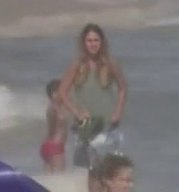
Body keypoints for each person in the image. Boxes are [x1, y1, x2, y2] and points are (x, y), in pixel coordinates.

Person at [57, 24, 127, 176]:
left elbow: (123, 88)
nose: (93, 44)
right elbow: (62, 91)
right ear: (84, 43)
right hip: (85, 127)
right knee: (85, 173)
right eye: (89, 40)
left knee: (108, 173)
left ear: (102, 42)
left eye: (96, 40)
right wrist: (77, 112)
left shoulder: (110, 63)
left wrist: (118, 112)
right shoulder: (77, 65)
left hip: (107, 125)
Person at [41, 79, 68, 173]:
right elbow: (52, 127)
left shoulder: (53, 107)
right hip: (56, 146)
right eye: (62, 91)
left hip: (49, 145)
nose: (65, 94)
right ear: (54, 94)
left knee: (49, 178)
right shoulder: (55, 108)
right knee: (60, 177)